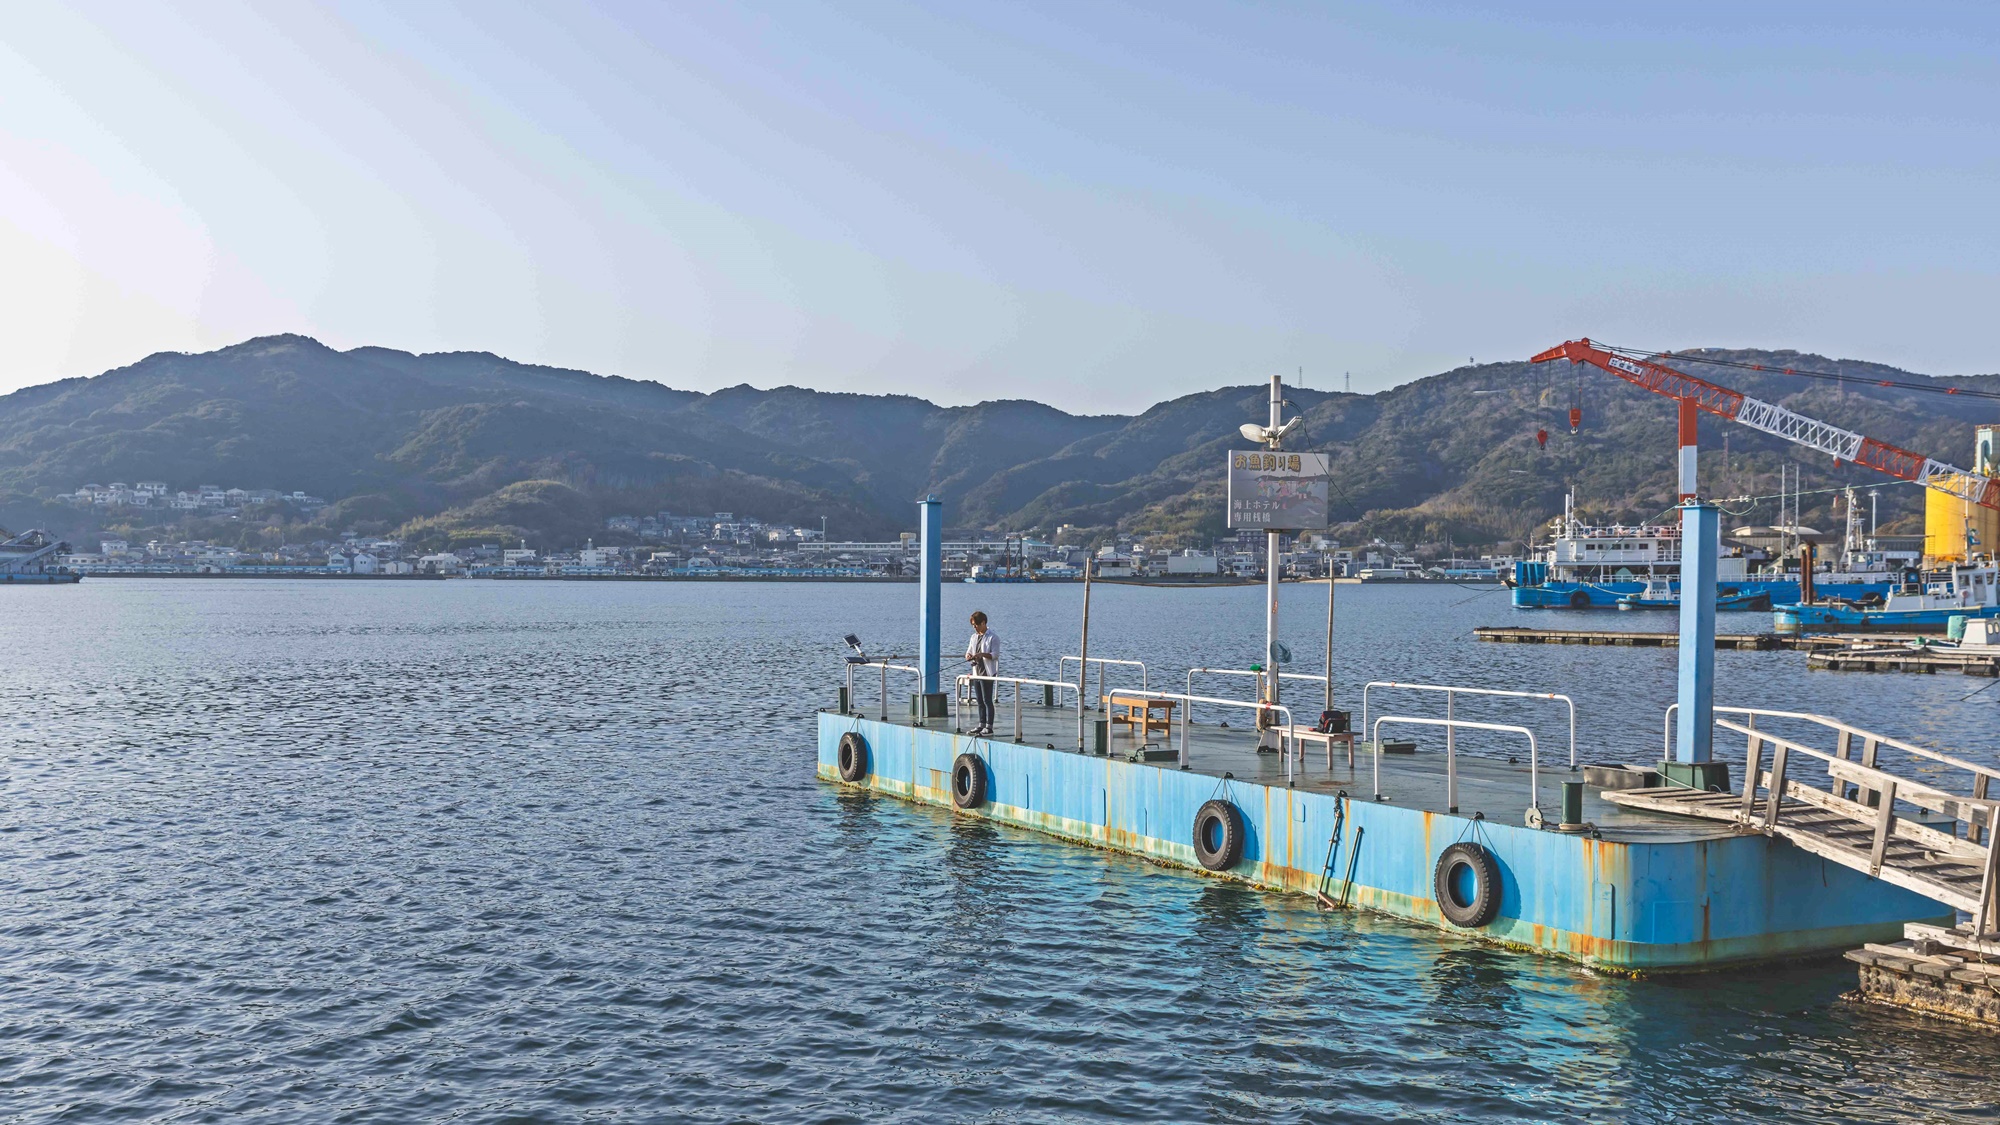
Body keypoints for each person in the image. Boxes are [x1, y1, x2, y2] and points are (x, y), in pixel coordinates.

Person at [965, 610, 999, 734]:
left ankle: (989, 726)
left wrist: (982, 655)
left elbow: (995, 655)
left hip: (987, 673)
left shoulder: (993, 637)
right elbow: (968, 651)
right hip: (976, 672)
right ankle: (981, 724)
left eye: (976, 625)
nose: (975, 627)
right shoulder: (974, 637)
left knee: (987, 700)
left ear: (983, 623)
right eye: (973, 625)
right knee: (979, 700)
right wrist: (969, 655)